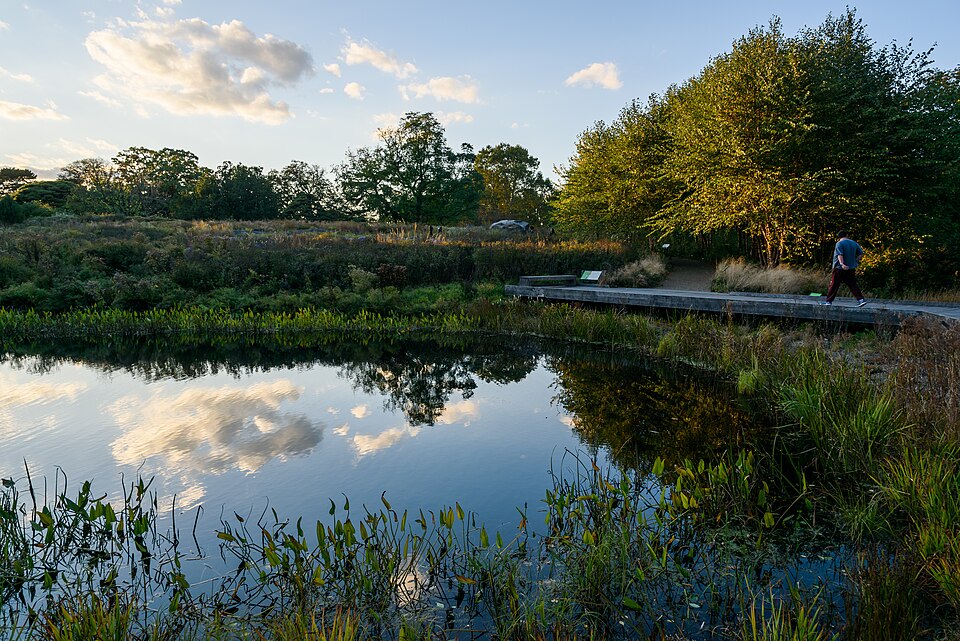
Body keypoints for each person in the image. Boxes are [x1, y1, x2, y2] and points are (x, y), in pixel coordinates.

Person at [820, 230, 866, 306]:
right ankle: (861, 299)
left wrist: (842, 264)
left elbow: (840, 255)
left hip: (839, 267)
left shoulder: (839, 243)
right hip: (851, 267)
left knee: (834, 284)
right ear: (847, 235)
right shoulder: (854, 243)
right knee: (852, 284)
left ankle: (828, 301)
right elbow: (860, 254)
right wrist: (856, 260)